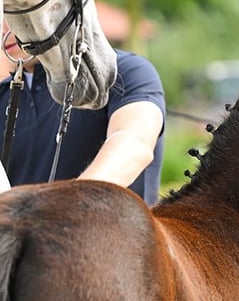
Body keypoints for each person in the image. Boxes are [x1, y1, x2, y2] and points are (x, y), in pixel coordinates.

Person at [1, 20, 165, 205]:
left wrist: (68, 205)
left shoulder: (127, 71)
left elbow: (134, 144)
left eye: (9, 10)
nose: (2, 26)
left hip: (112, 231)